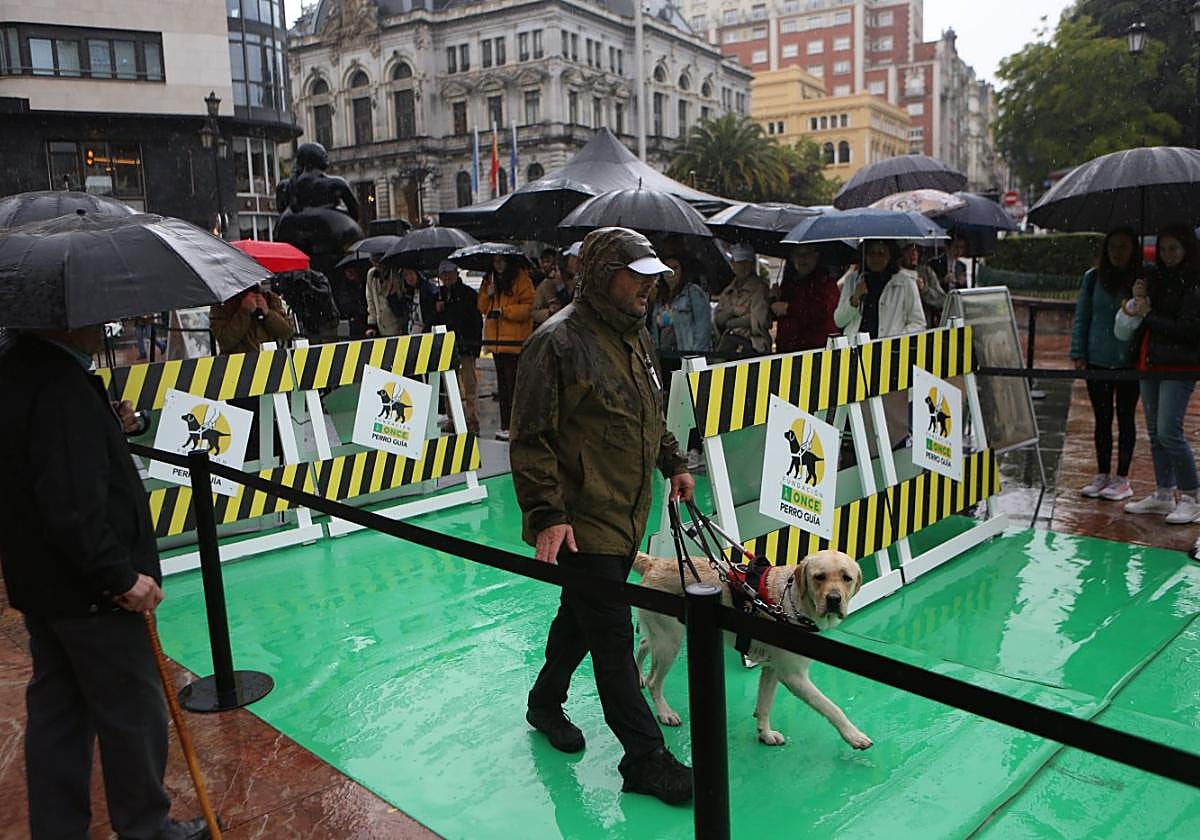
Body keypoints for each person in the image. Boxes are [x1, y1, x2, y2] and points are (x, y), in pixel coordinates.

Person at [0, 325, 210, 840]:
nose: (106, 327)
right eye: (98, 319)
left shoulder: (17, 369)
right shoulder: (60, 386)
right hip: (89, 591)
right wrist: (117, 577)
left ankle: (58, 828)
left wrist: (108, 421)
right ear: (65, 320)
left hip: (42, 580)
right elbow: (73, 501)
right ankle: (145, 828)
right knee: (132, 711)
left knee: (58, 710)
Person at [510, 227, 695, 805]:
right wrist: (547, 514)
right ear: (600, 275)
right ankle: (645, 757)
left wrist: (673, 461)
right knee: (613, 642)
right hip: (580, 521)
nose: (648, 286)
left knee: (580, 620)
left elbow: (646, 411)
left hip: (624, 511)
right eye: (635, 275)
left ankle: (544, 703)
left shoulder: (634, 335)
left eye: (652, 276)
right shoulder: (557, 342)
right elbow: (531, 436)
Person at [1116, 223, 1200, 524]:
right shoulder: (1155, 278)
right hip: (1149, 360)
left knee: (1169, 431)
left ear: (1186, 249)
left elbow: (1190, 330)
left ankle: (1192, 495)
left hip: (1179, 365)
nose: (1168, 255)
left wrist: (1149, 315)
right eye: (1163, 249)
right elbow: (1140, 316)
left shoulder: (1193, 283)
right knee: (1154, 432)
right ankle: (1164, 493)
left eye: (1174, 249)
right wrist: (1139, 297)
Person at [1071, 228, 1141, 501]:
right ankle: (1102, 473)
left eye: (1123, 247)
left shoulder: (1141, 279)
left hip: (1129, 362)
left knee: (1125, 418)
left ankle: (1122, 478)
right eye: (1112, 247)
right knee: (1102, 419)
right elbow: (1082, 316)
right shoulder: (1092, 279)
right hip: (1097, 359)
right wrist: (1079, 352)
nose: (1117, 253)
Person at [478, 253, 535, 440]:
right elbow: (482, 307)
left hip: (514, 341)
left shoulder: (521, 279)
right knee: (502, 386)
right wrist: (489, 294)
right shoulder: (489, 280)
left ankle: (515, 424)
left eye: (501, 261)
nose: (498, 265)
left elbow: (528, 307)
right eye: (495, 261)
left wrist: (505, 312)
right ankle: (504, 424)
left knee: (513, 385)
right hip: (495, 342)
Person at [833, 240, 925, 340]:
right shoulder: (852, 280)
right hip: (855, 348)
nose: (876, 258)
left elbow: (918, 323)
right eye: (872, 253)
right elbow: (839, 321)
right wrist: (855, 298)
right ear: (865, 256)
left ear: (890, 255)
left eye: (881, 253)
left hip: (888, 351)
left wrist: (896, 339)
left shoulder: (905, 282)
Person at [431, 260, 483, 433]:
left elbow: (476, 321)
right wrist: (438, 311)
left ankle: (471, 419)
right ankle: (453, 417)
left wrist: (475, 345)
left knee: (469, 383)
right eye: (443, 274)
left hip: (466, 343)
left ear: (456, 273)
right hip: (448, 344)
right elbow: (434, 321)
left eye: (449, 273)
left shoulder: (468, 294)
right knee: (449, 383)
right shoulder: (439, 296)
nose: (446, 277)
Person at [773, 244, 840, 353]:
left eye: (806, 253)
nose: (802, 258)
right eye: (797, 254)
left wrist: (789, 308)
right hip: (788, 351)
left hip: (816, 351)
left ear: (816, 256)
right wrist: (774, 298)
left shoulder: (826, 282)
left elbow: (822, 310)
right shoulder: (789, 283)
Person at [713, 243, 771, 357]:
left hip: (753, 346)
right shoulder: (728, 290)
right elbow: (718, 319)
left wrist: (730, 323)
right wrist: (732, 311)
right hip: (728, 345)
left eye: (747, 262)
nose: (744, 267)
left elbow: (758, 320)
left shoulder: (760, 288)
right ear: (733, 264)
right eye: (740, 263)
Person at [209, 282, 295, 355]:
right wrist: (244, 311)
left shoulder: (270, 298)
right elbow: (225, 341)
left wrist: (268, 313)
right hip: (237, 364)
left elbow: (287, 332)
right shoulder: (222, 304)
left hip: (269, 361)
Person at [532, 254, 577, 328]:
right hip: (552, 329)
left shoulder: (575, 283)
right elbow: (534, 312)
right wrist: (549, 312)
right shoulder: (545, 285)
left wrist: (561, 286)